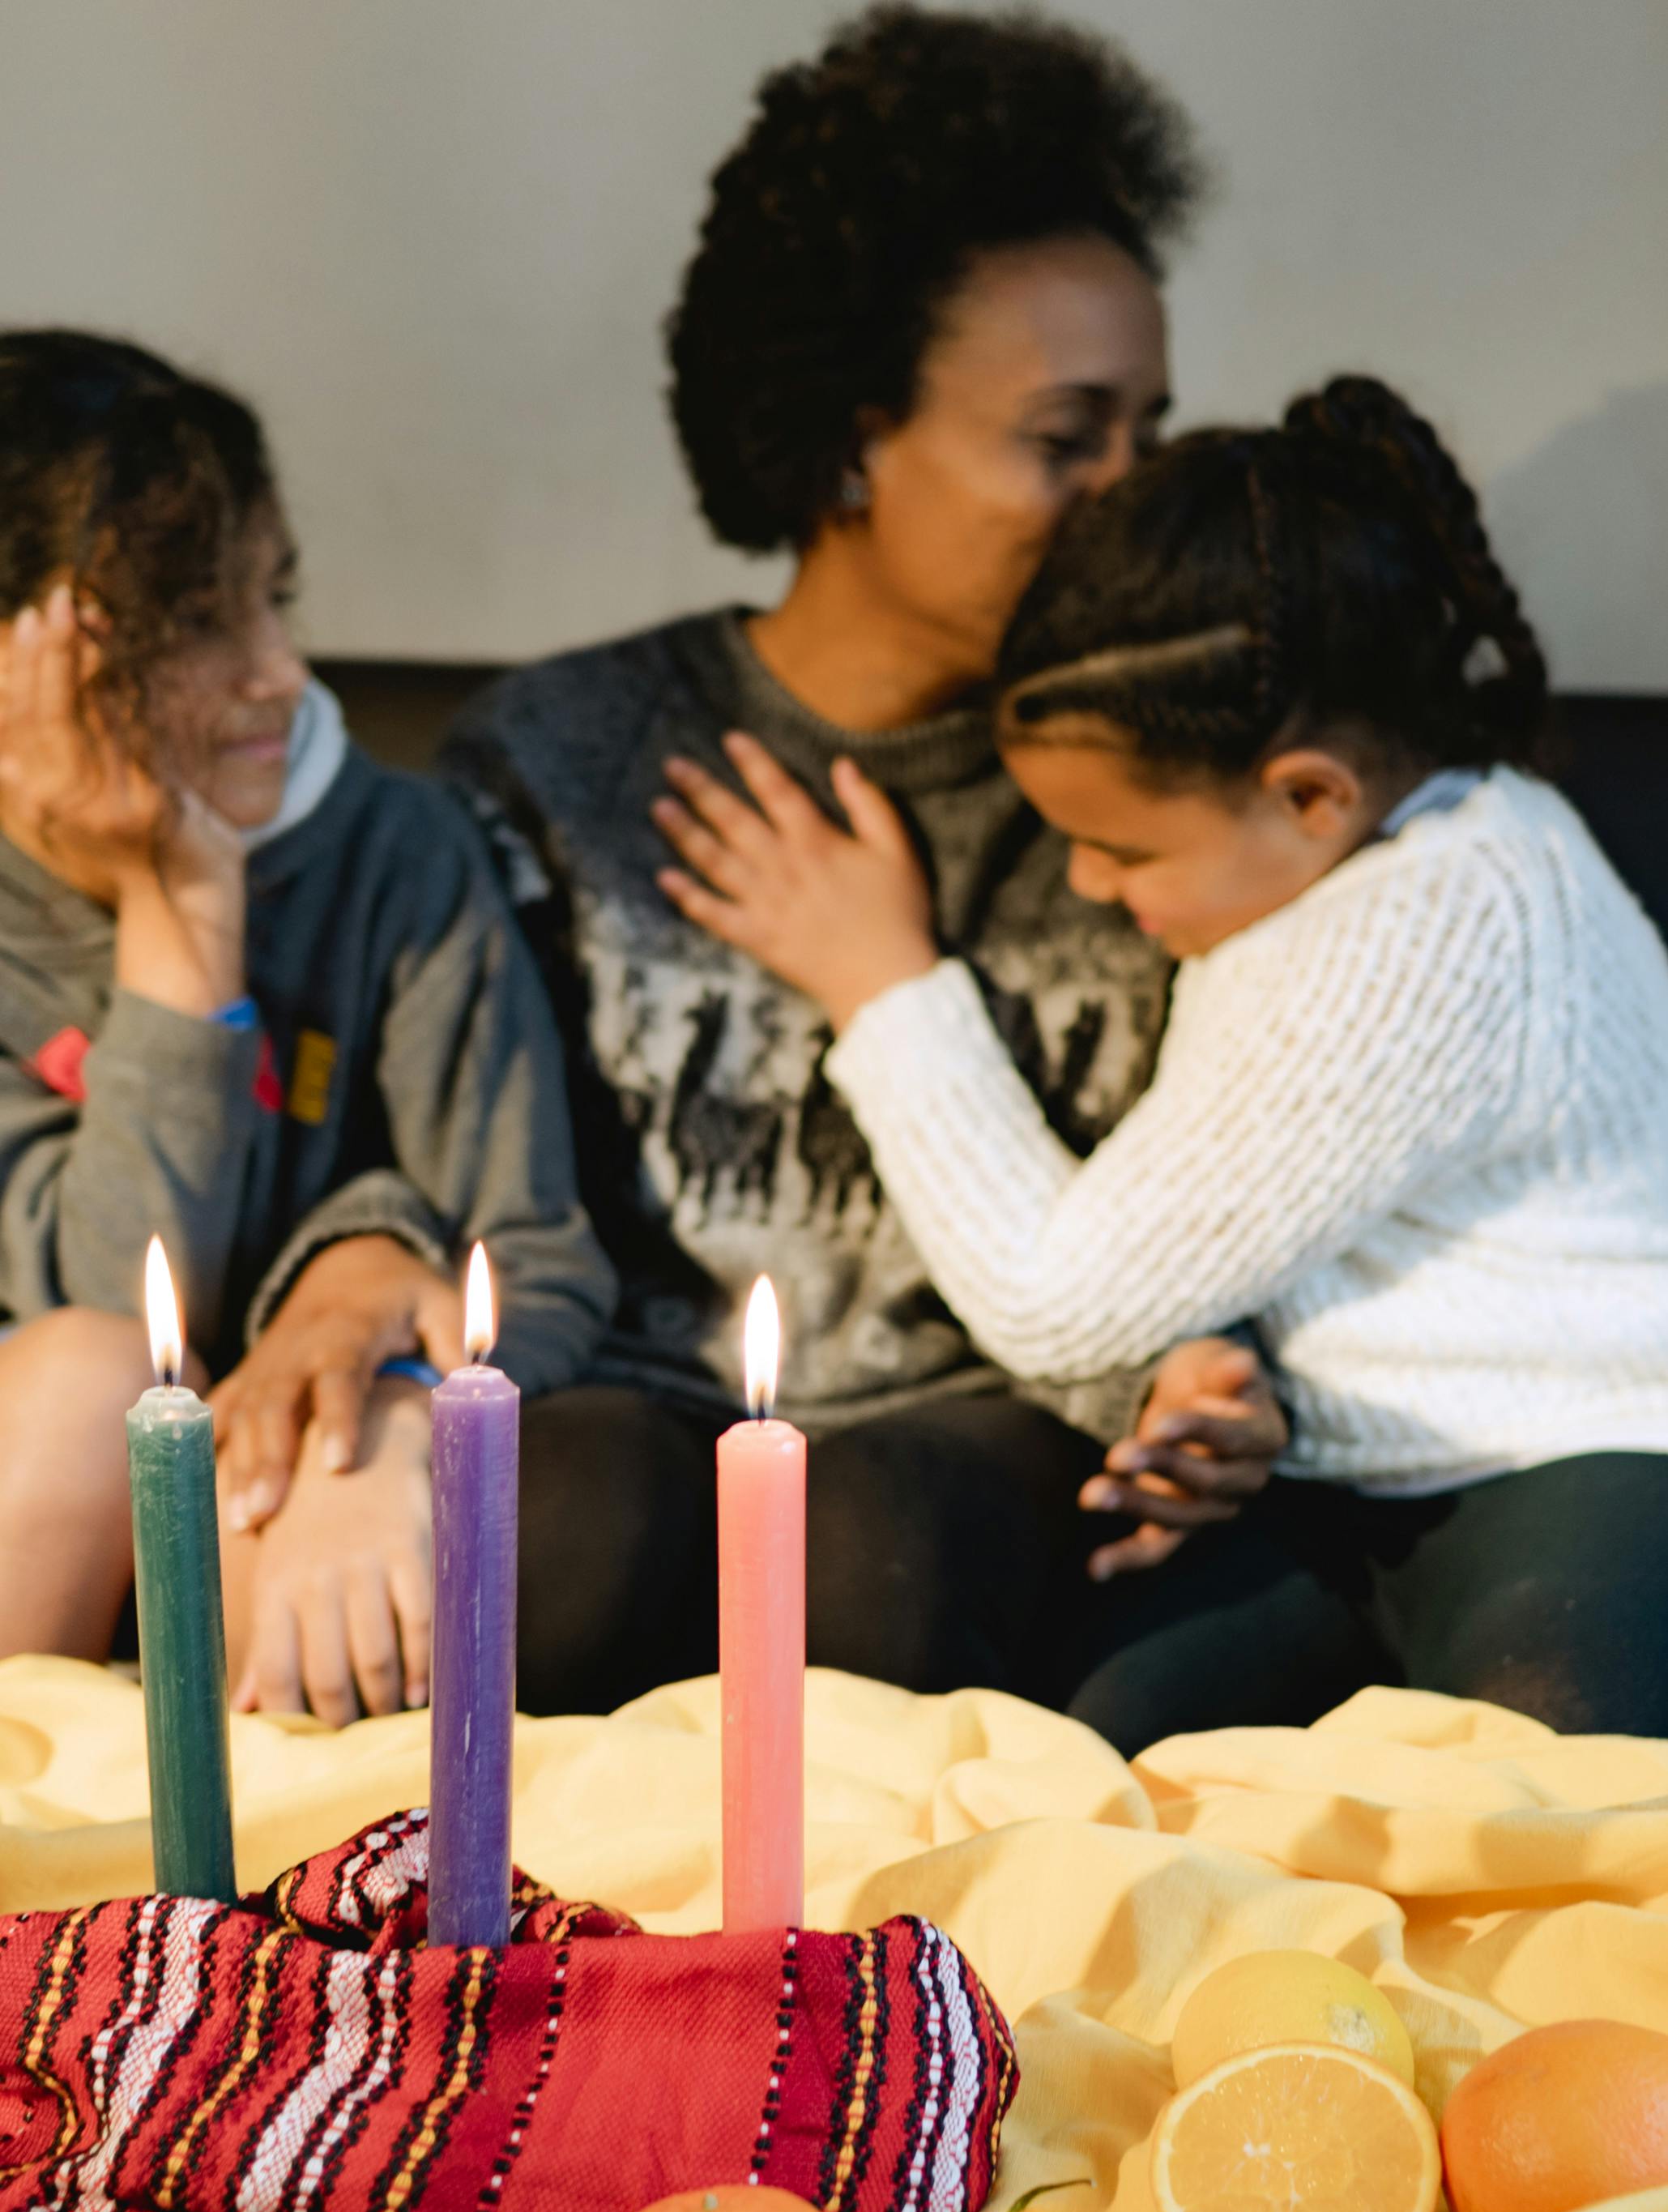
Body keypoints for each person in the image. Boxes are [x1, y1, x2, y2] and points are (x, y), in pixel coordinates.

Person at [445, 3, 1286, 1711]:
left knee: (874, 1550)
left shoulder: (1186, 801)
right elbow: (433, 1165)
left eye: (1153, 428)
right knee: (571, 1514)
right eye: (1069, 440)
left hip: (961, 1437)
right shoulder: (561, 762)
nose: (1134, 497)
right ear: (845, 440)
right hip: (617, 1396)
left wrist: (1211, 1374)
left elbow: (1243, 1189)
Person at [655, 372, 1668, 1745]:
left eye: (1125, 848)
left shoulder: (1433, 922)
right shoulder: (1351, 858)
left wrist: (879, 983)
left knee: (1553, 1776)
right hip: (1329, 1492)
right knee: (1110, 1748)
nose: (1085, 883)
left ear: (1312, 794)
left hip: (1577, 1452)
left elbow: (1059, 1297)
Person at [0, 330, 612, 1722]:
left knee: (302, 1520)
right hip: (36, 1493)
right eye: (194, 624)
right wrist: (177, 923)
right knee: (95, 1379)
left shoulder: (400, 852)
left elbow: (533, 1256)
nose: (277, 670)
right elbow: (103, 1313)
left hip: (255, 1499)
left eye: (275, 599)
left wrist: (389, 1394)